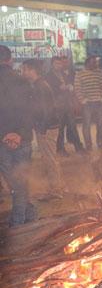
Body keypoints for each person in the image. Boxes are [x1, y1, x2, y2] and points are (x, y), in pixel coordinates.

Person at [0, 46, 35, 227]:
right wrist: (19, 134)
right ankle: (27, 216)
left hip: (3, 140)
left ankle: (19, 223)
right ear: (10, 59)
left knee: (15, 183)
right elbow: (30, 111)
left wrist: (6, 135)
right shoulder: (22, 81)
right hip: (22, 139)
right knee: (21, 181)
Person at [21, 59, 66, 196]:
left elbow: (46, 110)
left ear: (32, 70)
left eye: (24, 69)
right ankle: (57, 186)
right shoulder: (38, 84)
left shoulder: (40, 86)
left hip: (47, 128)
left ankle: (56, 189)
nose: (22, 72)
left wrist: (42, 127)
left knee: (50, 159)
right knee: (49, 158)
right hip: (47, 126)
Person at [46, 56, 84, 155]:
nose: (59, 66)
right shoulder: (48, 76)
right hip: (57, 106)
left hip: (68, 104)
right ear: (52, 64)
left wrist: (70, 87)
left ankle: (78, 147)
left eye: (60, 64)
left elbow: (70, 84)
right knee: (60, 128)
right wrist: (61, 88)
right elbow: (50, 91)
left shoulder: (64, 74)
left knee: (72, 125)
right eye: (56, 64)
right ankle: (60, 148)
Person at [75, 55, 102, 151]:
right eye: (94, 62)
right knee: (87, 125)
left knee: (100, 124)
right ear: (88, 63)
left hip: (98, 102)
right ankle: (88, 145)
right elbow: (77, 88)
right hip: (87, 103)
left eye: (96, 62)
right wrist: (82, 100)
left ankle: (100, 143)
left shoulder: (100, 72)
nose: (96, 64)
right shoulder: (80, 74)